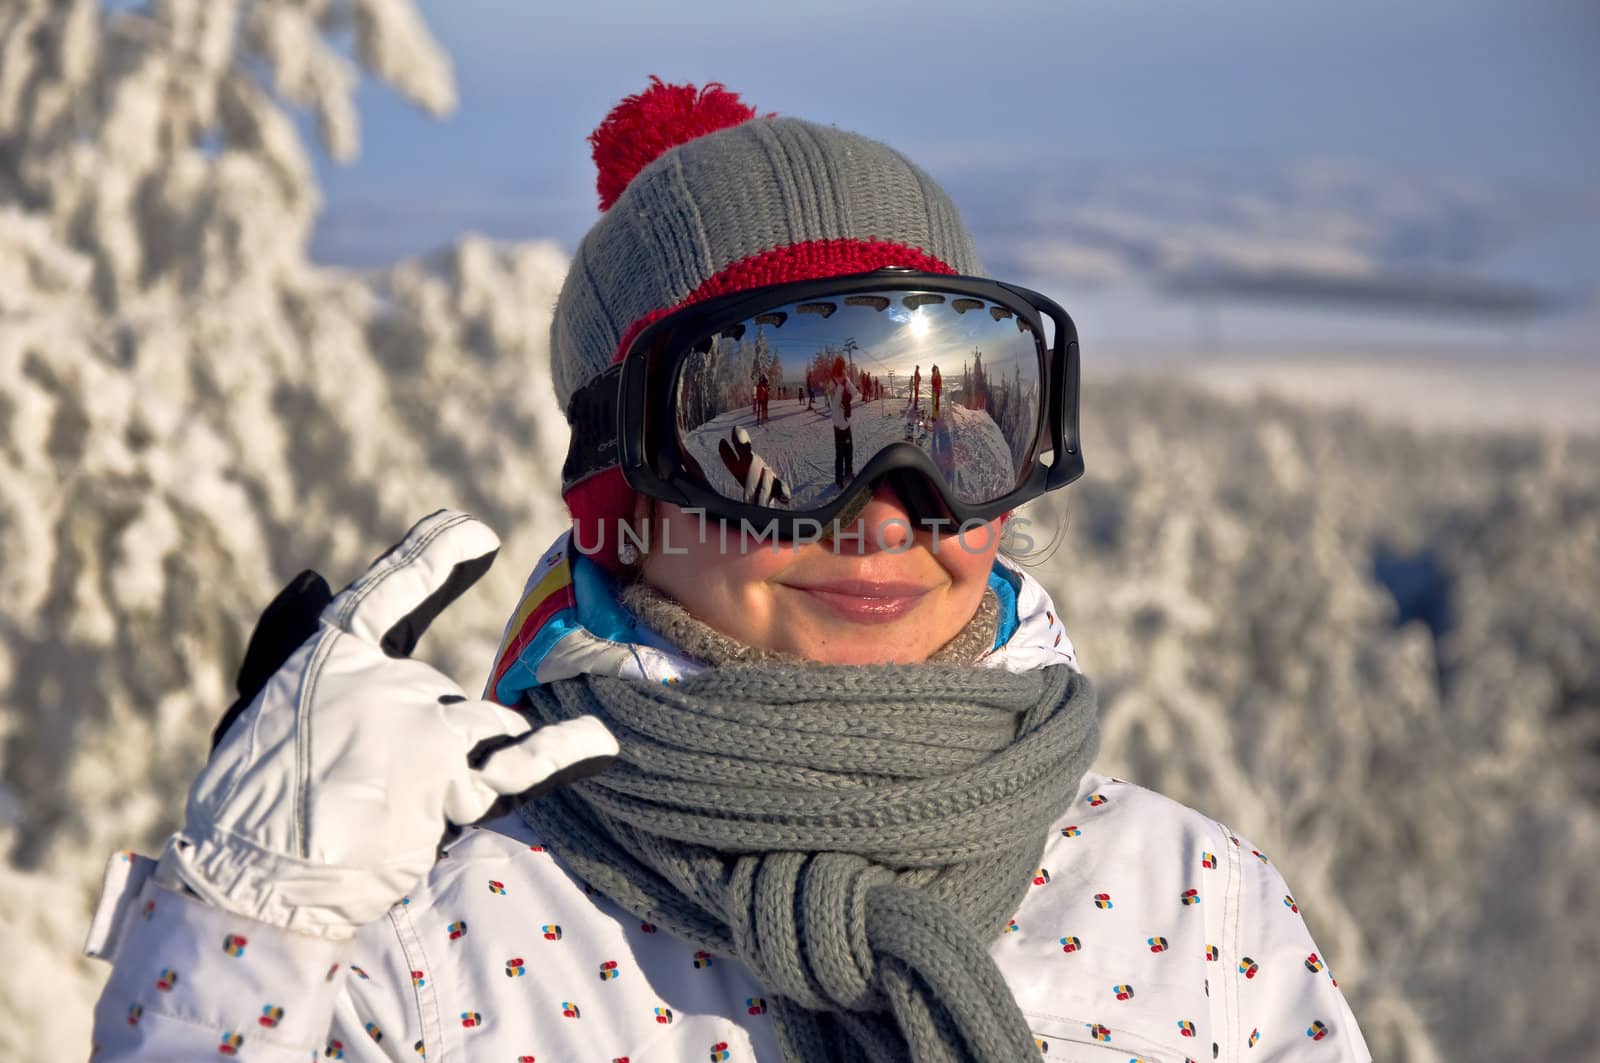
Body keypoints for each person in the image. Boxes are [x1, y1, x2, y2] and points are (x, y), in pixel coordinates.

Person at [85, 78, 1369, 1062]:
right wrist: (245, 933)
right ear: (621, 494)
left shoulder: (1186, 901)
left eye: (953, 421)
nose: (882, 515)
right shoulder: (441, 937)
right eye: (775, 439)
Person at [826, 354, 857, 489]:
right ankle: (839, 478)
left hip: (844, 421)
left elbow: (855, 393)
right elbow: (834, 403)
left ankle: (847, 472)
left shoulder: (843, 380)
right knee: (841, 451)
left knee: (848, 449)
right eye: (843, 368)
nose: (843, 371)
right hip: (839, 422)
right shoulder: (833, 382)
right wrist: (842, 387)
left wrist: (847, 395)